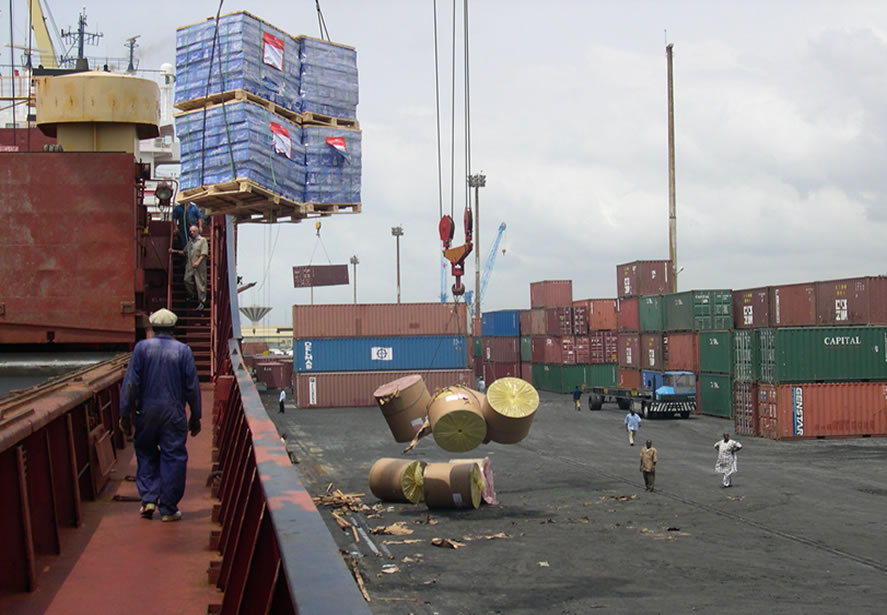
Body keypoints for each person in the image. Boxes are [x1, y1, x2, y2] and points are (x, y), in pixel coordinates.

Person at [118, 308, 202, 522]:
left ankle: (148, 499)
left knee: (145, 452)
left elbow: (131, 384)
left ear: (153, 328)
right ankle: (168, 508)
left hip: (146, 411)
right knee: (173, 456)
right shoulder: (183, 351)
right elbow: (192, 387)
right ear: (174, 328)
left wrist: (124, 412)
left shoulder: (141, 349)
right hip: (173, 412)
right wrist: (196, 416)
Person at [172, 225, 209, 311]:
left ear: (197, 232)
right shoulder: (190, 243)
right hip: (190, 265)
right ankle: (192, 294)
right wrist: (174, 251)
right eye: (190, 231)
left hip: (199, 266)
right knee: (187, 280)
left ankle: (202, 302)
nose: (191, 233)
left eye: (193, 231)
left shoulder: (202, 241)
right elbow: (185, 252)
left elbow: (204, 254)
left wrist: (198, 262)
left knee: (200, 283)